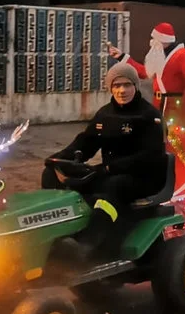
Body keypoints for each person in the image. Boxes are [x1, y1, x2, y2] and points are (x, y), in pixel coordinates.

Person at [42, 62, 168, 259]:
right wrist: (61, 158)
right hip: (110, 171)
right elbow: (86, 143)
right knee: (52, 174)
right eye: (117, 86)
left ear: (135, 86)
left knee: (111, 186)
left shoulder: (149, 116)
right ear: (110, 88)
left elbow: (150, 157)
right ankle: (57, 234)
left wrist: (108, 168)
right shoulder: (105, 114)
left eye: (127, 85)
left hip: (143, 178)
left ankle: (91, 243)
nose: (122, 90)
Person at [108, 22, 185, 128]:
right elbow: (145, 72)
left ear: (164, 39)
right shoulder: (160, 55)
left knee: (175, 138)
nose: (152, 42)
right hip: (158, 103)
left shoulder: (183, 55)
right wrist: (122, 57)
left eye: (155, 39)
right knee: (158, 135)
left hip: (176, 106)